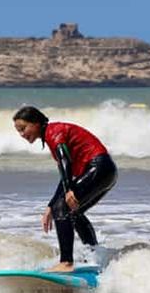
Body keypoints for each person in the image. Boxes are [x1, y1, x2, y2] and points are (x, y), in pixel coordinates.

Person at [13, 106, 117, 272]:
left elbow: (64, 161)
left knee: (62, 208)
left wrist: (67, 192)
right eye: (19, 131)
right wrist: (50, 206)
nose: (22, 134)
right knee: (73, 211)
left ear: (36, 123)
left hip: (99, 168)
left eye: (24, 128)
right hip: (106, 171)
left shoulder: (54, 132)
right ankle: (94, 256)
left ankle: (66, 262)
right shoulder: (52, 134)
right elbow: (65, 175)